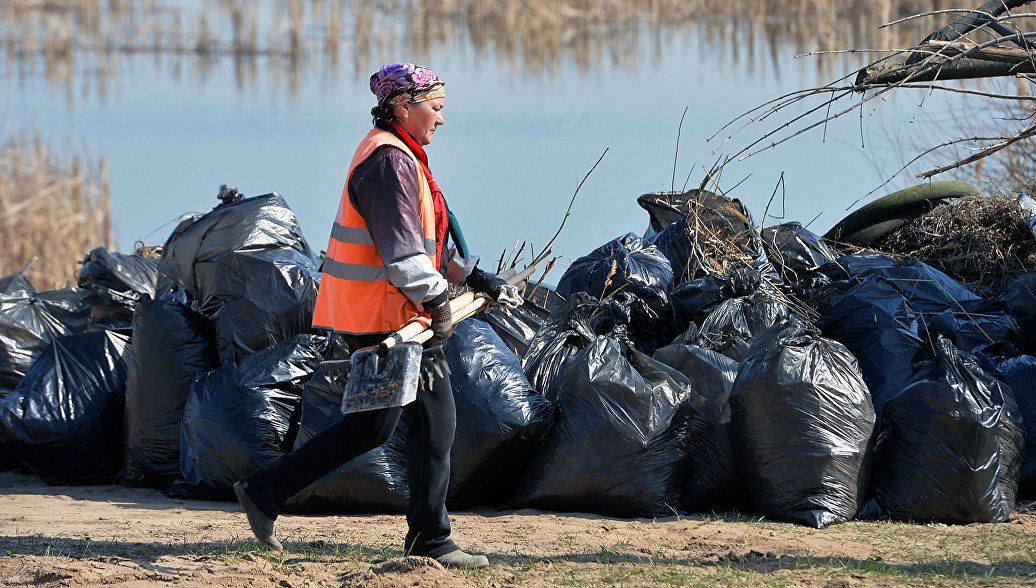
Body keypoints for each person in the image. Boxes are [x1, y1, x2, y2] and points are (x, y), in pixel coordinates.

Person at [232, 63, 520, 569]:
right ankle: (429, 539)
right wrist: (436, 302)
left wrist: (473, 278)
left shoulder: (399, 154)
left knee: (378, 427)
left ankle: (265, 492)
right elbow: (403, 255)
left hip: (389, 313)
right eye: (435, 107)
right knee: (431, 424)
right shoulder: (389, 163)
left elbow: (430, 242)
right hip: (390, 318)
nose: (441, 119)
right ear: (403, 106)